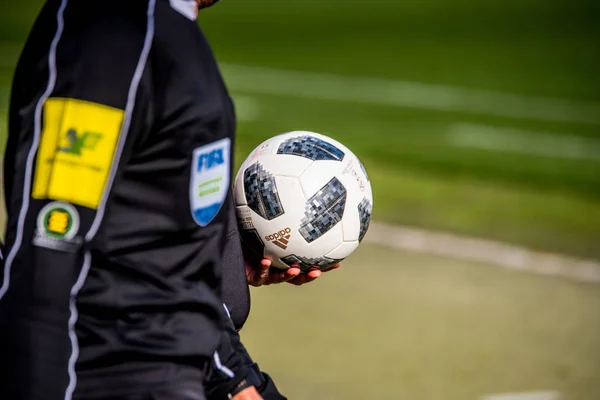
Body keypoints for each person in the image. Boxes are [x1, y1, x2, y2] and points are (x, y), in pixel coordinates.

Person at [1, 0, 237, 398]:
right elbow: (49, 250)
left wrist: (237, 376)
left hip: (172, 376)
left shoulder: (174, 33)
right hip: (102, 376)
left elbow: (158, 240)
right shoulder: (111, 28)